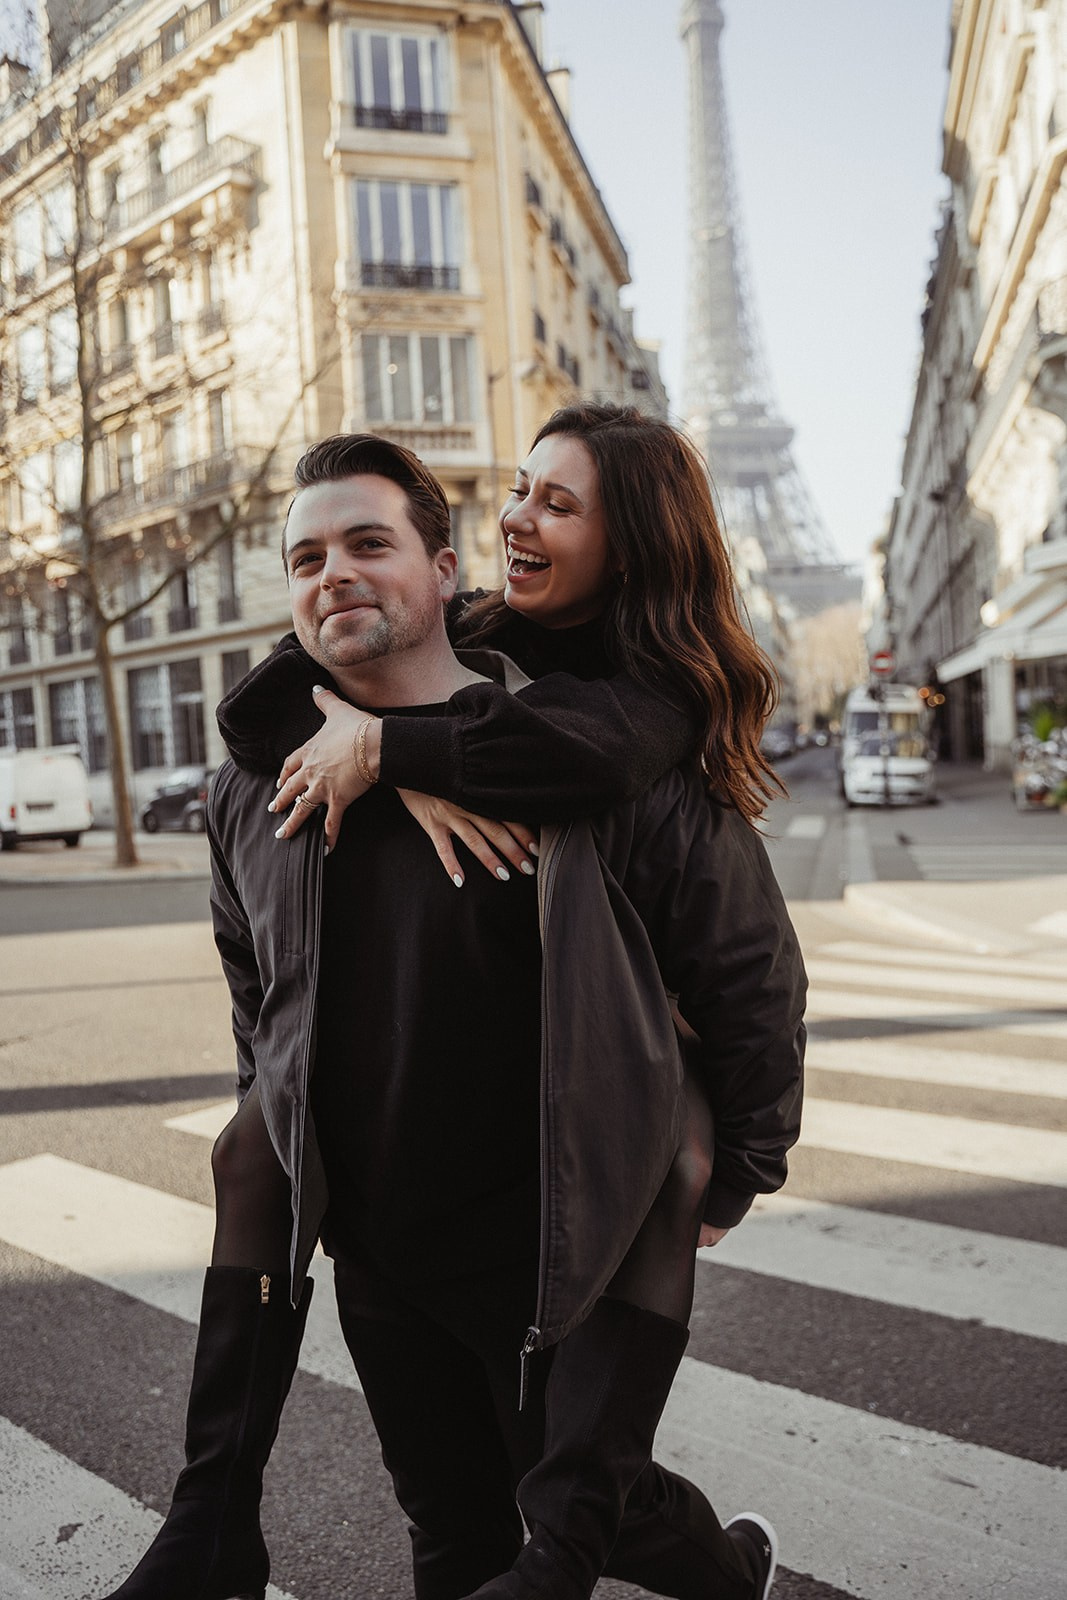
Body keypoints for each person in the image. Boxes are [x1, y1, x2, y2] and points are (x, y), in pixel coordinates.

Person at [102, 415, 803, 1600]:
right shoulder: (263, 777)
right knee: (453, 1529)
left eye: (368, 543)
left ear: (443, 569)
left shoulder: (597, 754)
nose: (334, 575)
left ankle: (727, 1574)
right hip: (385, 1246)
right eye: (306, 558)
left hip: (549, 1239)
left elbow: (750, 976)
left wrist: (734, 1167)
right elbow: (256, 995)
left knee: (584, 1510)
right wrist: (369, 740)